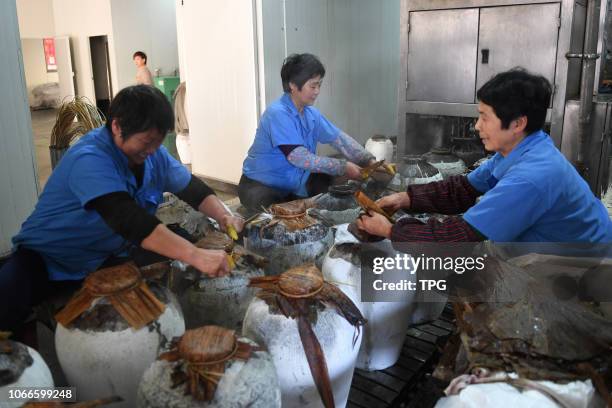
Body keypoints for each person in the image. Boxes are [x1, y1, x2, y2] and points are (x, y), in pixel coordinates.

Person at [0, 85, 244, 331]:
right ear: (117, 126)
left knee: (178, 260)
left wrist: (224, 215)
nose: (152, 151)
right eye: (147, 141)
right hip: (51, 256)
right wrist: (195, 255)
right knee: (7, 297)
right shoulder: (89, 158)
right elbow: (128, 220)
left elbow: (193, 190)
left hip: (107, 254)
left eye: (158, 142)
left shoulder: (153, 155)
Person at [356, 68, 612, 243]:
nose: (477, 126)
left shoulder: (531, 177)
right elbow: (463, 189)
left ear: (517, 123)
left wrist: (390, 230)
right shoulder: (520, 150)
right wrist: (404, 199)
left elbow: (458, 239)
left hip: (580, 272)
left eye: (484, 117)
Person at [239, 53, 376, 211]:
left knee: (329, 190)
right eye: (313, 86)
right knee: (279, 217)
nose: (317, 91)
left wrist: (369, 161)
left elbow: (339, 139)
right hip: (260, 186)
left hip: (293, 185)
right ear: (292, 85)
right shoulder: (277, 113)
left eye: (319, 85)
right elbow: (299, 158)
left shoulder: (311, 115)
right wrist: (343, 166)